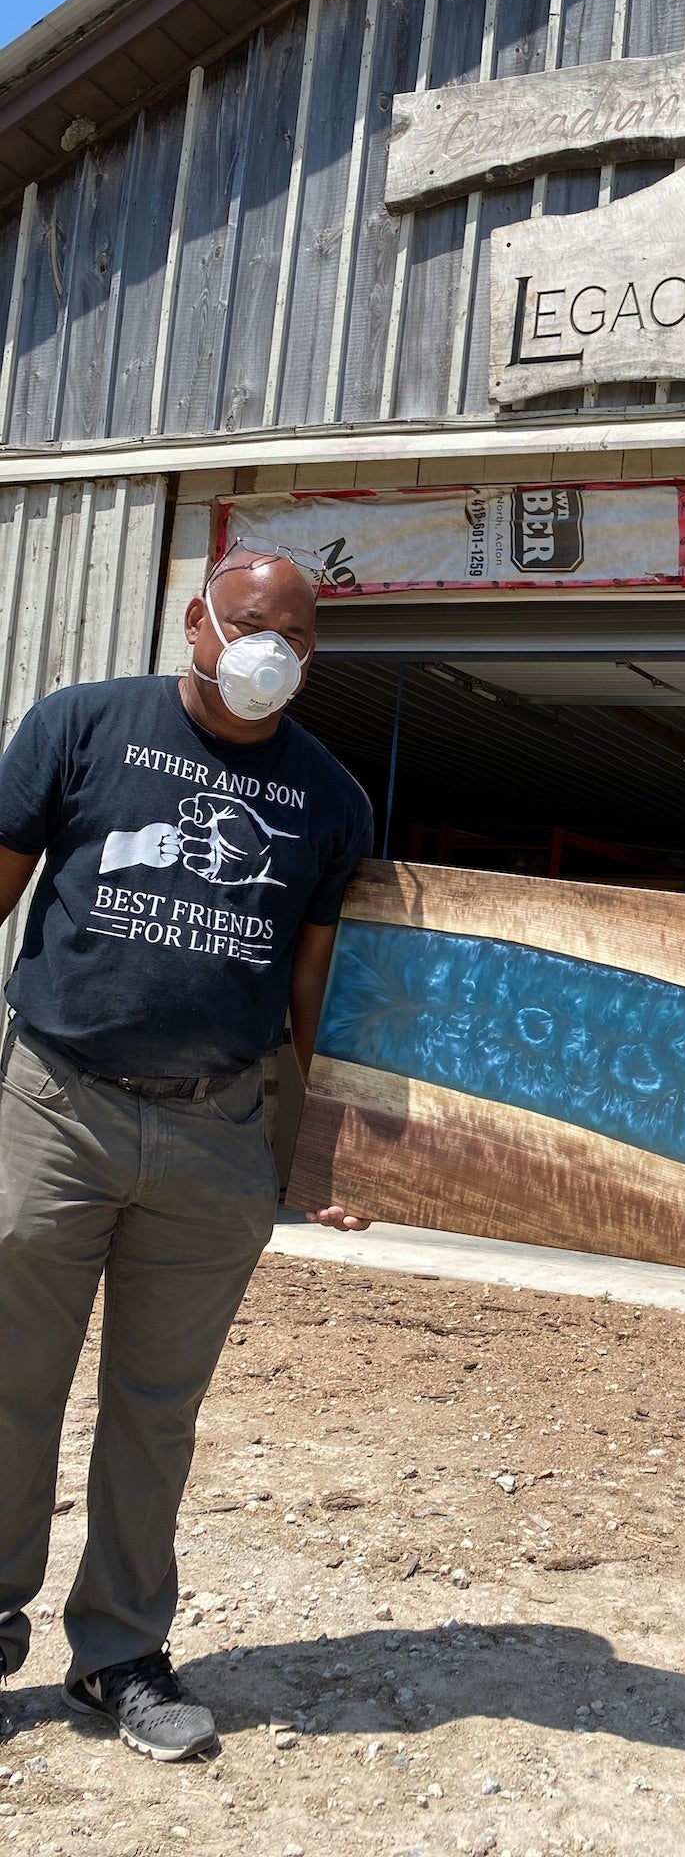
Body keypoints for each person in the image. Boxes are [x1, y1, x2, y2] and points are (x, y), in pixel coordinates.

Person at [0, 542, 373, 1762]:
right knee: (10, 1382)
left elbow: (317, 990)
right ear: (196, 623)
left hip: (217, 1129)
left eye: (299, 638)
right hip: (55, 1106)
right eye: (255, 624)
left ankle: (118, 1654)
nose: (274, 651)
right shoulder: (81, 727)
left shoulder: (329, 798)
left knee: (157, 1408)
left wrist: (327, 1149)